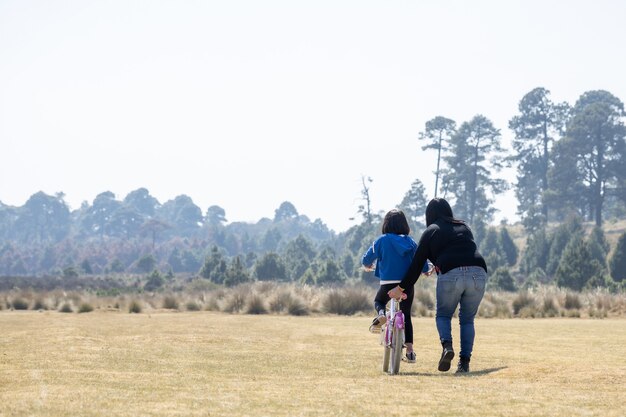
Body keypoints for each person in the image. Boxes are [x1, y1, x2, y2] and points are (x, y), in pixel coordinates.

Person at [388, 198, 487, 373]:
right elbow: (464, 250)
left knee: (443, 316)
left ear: (429, 215)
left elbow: (416, 264)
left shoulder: (431, 231)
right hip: (478, 272)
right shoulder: (464, 227)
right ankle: (464, 363)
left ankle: (447, 347)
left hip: (451, 273)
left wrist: (401, 288)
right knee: (467, 319)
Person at [362, 209, 430, 363]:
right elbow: (421, 261)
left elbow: (366, 259)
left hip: (387, 283)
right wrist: (426, 271)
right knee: (406, 315)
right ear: (404, 224)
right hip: (406, 284)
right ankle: (411, 351)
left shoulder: (381, 240)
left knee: (379, 301)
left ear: (386, 224)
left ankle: (381, 314)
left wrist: (368, 265)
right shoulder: (411, 242)